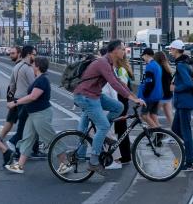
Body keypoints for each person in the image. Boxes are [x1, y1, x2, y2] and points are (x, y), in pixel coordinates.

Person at [74, 40, 145, 171]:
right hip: (87, 96)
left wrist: (133, 96)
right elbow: (113, 83)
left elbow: (118, 81)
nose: (125, 52)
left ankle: (103, 135)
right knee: (104, 126)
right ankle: (94, 160)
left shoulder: (109, 63)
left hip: (95, 94)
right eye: (123, 49)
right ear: (115, 51)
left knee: (119, 107)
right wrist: (132, 98)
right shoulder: (103, 63)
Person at [5, 57, 71, 174]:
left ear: (38, 67)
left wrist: (15, 102)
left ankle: (65, 163)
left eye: (33, 65)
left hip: (41, 114)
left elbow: (33, 97)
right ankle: (19, 165)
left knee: (49, 137)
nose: (32, 67)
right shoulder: (39, 79)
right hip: (34, 113)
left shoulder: (42, 80)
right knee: (28, 138)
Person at [169, 40, 193, 171]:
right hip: (183, 102)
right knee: (176, 128)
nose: (170, 52)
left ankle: (189, 162)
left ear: (176, 50)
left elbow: (188, 84)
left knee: (185, 131)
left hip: (184, 102)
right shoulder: (185, 63)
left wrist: (176, 88)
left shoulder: (180, 65)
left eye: (172, 49)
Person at [6, 45, 39, 157]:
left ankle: (33, 149)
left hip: (17, 98)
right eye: (34, 54)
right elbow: (33, 85)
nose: (35, 56)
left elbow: (12, 84)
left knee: (30, 125)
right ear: (29, 54)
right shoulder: (28, 68)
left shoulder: (17, 66)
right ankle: (14, 143)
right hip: (26, 100)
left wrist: (12, 98)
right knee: (28, 125)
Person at [0, 46, 22, 141]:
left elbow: (12, 85)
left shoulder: (19, 66)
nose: (10, 55)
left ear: (19, 54)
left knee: (13, 119)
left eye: (13, 53)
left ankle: (2, 138)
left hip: (19, 98)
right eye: (10, 53)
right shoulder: (18, 65)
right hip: (16, 98)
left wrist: (10, 99)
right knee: (11, 119)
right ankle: (0, 138)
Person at [138, 48, 163, 130]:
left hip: (150, 96)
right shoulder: (157, 65)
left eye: (143, 56)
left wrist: (144, 96)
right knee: (153, 114)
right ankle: (159, 134)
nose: (143, 58)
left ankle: (157, 132)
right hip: (158, 94)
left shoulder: (150, 66)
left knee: (144, 115)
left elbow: (149, 83)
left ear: (146, 55)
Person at [154, 51, 174, 127]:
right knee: (170, 116)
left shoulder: (157, 69)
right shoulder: (168, 68)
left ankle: (158, 131)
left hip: (160, 95)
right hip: (168, 95)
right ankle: (175, 136)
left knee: (151, 114)